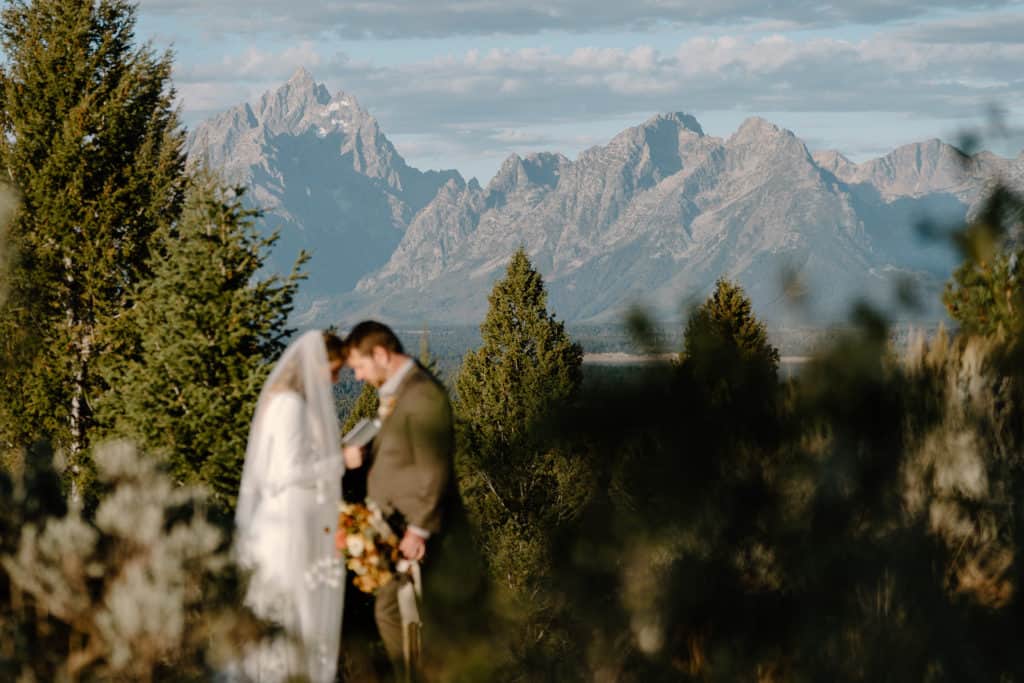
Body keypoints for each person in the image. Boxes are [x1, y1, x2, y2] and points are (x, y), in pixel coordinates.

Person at [340, 321, 455, 678]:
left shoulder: (420, 395)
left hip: (412, 531)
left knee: (398, 615)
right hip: (394, 526)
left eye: (359, 366)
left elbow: (434, 466)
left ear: (380, 354)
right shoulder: (398, 394)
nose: (358, 377)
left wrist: (419, 530)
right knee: (400, 615)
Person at [234, 330, 347, 683]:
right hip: (288, 525)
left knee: (298, 603)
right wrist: (340, 461)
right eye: (333, 369)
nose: (336, 378)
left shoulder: (286, 401)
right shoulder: (290, 406)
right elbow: (287, 471)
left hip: (291, 519)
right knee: (295, 604)